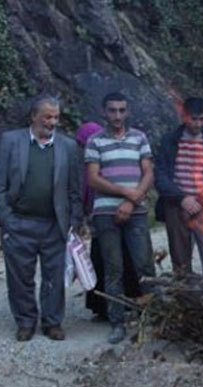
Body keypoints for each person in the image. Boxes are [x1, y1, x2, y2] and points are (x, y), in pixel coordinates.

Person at [0, 96, 83, 342]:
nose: (52, 122)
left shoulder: (68, 146)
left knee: (54, 277)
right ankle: (25, 322)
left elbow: (75, 189)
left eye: (55, 117)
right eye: (47, 117)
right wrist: (6, 219)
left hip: (54, 224)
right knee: (20, 278)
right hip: (19, 222)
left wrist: (74, 220)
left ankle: (52, 322)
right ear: (33, 116)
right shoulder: (11, 141)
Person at [85, 92, 159, 344]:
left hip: (136, 212)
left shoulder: (139, 138)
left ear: (127, 112)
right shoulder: (95, 142)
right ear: (104, 112)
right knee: (113, 268)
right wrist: (125, 192)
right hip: (106, 213)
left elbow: (148, 172)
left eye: (121, 110)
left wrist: (131, 199)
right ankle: (116, 322)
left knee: (145, 266)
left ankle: (153, 319)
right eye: (112, 110)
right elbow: (93, 178)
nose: (117, 116)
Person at [154, 97, 203, 282]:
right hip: (176, 205)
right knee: (180, 259)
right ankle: (185, 302)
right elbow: (160, 175)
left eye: (202, 119)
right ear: (184, 116)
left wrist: (202, 198)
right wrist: (182, 199)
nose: (197, 124)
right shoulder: (170, 141)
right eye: (193, 119)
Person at [78, 122, 142, 322]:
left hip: (107, 214)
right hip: (101, 217)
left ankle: (121, 305)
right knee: (110, 263)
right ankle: (107, 308)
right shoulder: (88, 164)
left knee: (114, 264)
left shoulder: (96, 162)